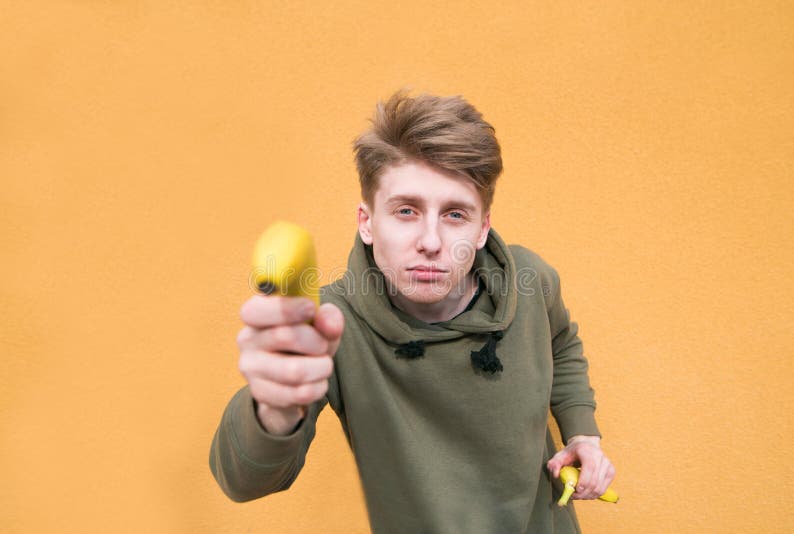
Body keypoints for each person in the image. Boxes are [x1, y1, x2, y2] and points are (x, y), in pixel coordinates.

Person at [209, 90, 615, 533]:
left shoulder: (532, 281)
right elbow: (242, 481)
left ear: (482, 228)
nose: (431, 241)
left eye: (455, 215)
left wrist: (582, 434)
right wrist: (274, 409)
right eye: (406, 211)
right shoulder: (326, 324)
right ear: (367, 222)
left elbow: (561, 342)